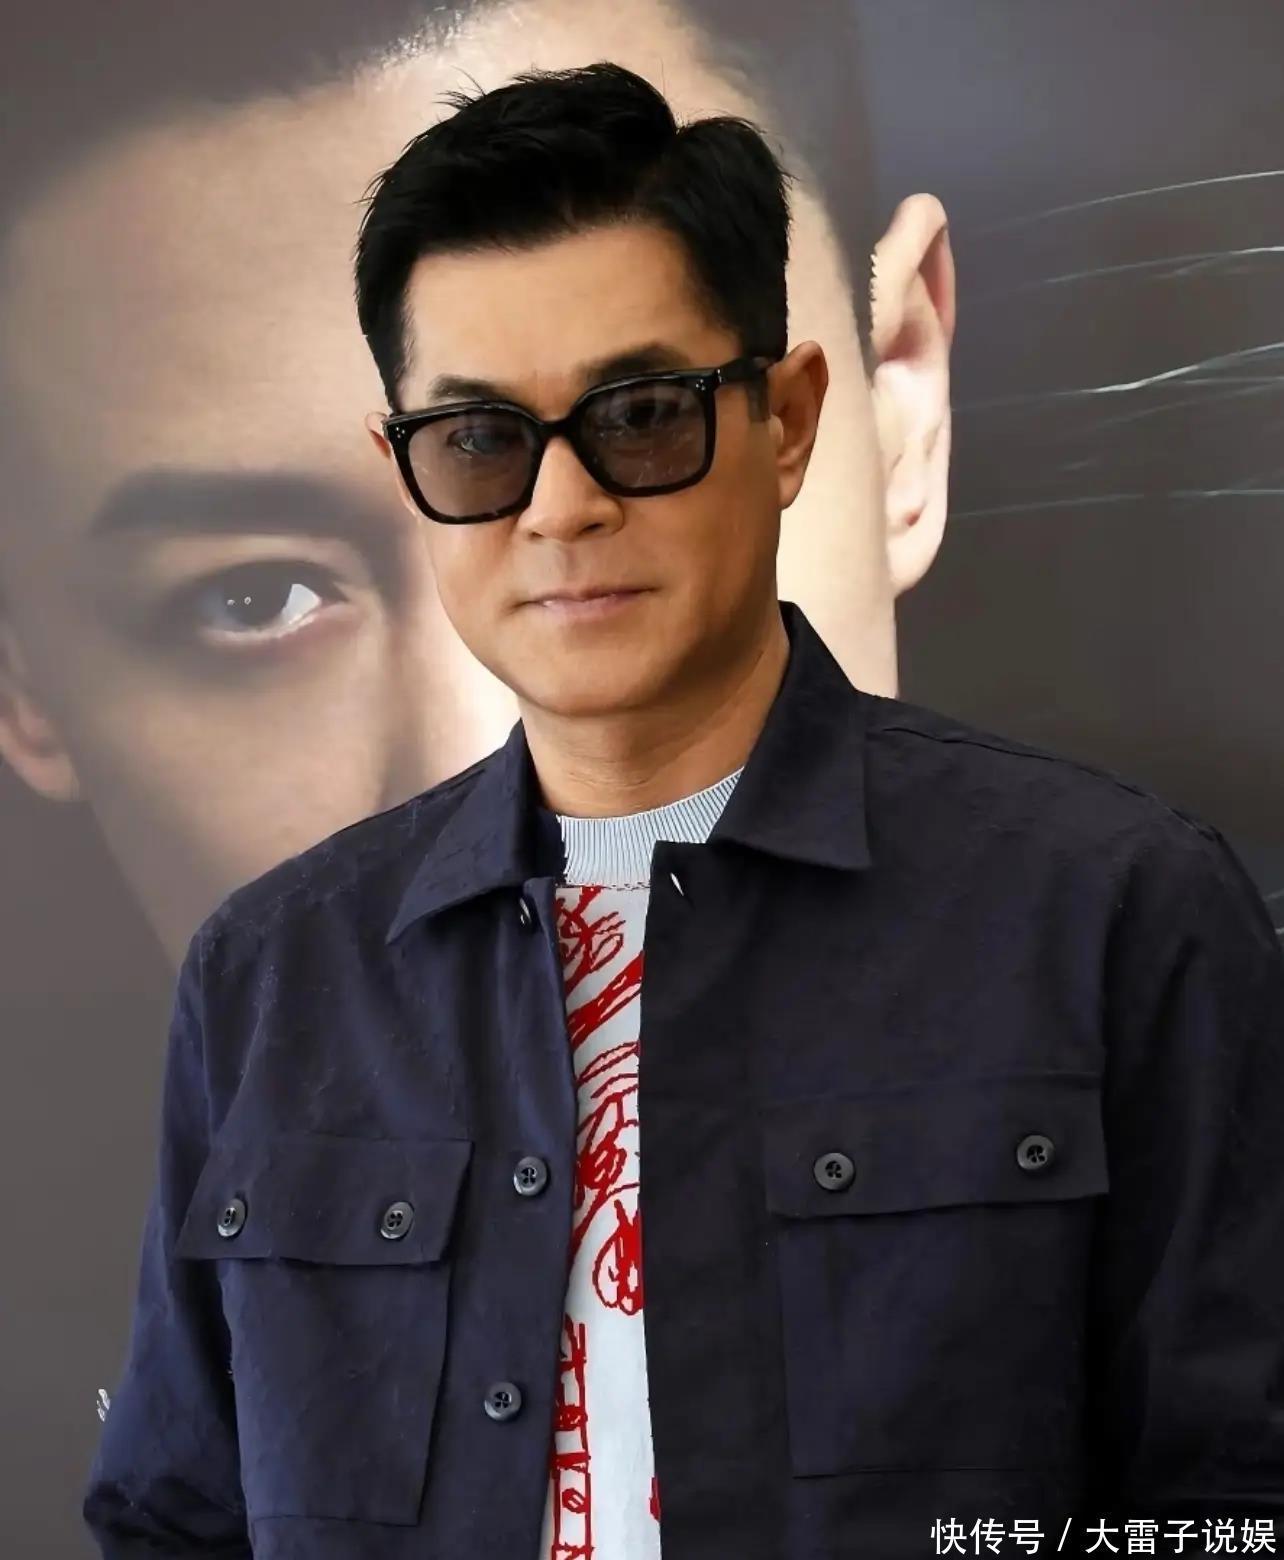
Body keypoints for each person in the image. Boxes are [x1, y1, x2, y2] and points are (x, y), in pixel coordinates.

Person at [84, 60, 1283, 1560]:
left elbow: (1236, 1505)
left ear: (788, 421)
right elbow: (176, 1515)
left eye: (642, 414)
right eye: (479, 440)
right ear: (408, 472)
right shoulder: (272, 975)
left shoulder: (1113, 914)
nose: (560, 506)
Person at [0, 0, 897, 968]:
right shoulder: (250, 1000)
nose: (501, 780)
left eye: (644, 424)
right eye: (254, 597)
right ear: (22, 677)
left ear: (898, 422)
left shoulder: (1035, 898)